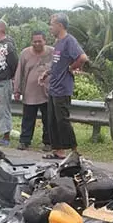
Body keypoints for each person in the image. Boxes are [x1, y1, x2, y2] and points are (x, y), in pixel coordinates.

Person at [38, 13, 88, 160]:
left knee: (62, 121)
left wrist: (72, 68)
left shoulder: (69, 40)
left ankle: (74, 151)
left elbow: (82, 57)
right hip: (54, 86)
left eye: (52, 24)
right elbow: (57, 63)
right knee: (52, 120)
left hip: (63, 87)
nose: (50, 27)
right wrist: (47, 73)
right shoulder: (58, 42)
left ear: (60, 25)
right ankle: (58, 151)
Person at [13, 30, 53, 151]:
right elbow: (19, 72)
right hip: (30, 93)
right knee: (28, 119)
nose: (37, 44)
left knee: (48, 119)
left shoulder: (52, 52)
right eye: (34, 41)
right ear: (31, 41)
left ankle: (48, 142)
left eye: (39, 41)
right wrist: (17, 90)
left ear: (44, 41)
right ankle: (24, 141)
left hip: (47, 92)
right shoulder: (25, 53)